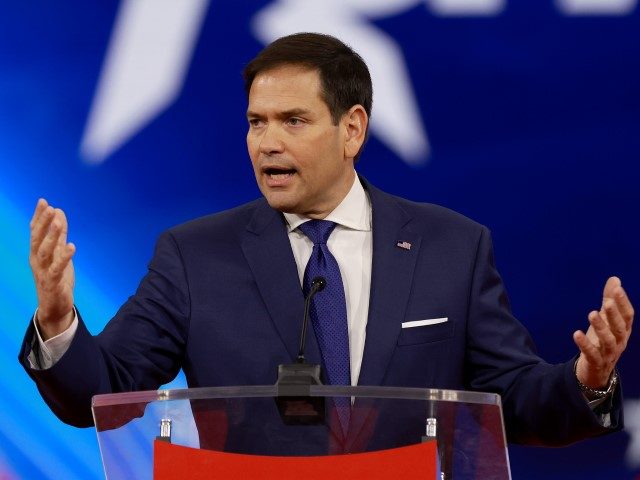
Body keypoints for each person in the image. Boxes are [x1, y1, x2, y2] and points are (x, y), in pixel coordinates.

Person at [21, 33, 633, 448]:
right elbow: (100, 396)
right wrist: (56, 319)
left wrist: (587, 378)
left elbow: (517, 403)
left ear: (353, 130)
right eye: (256, 122)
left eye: (293, 121)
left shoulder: (453, 247)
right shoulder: (194, 256)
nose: (267, 143)